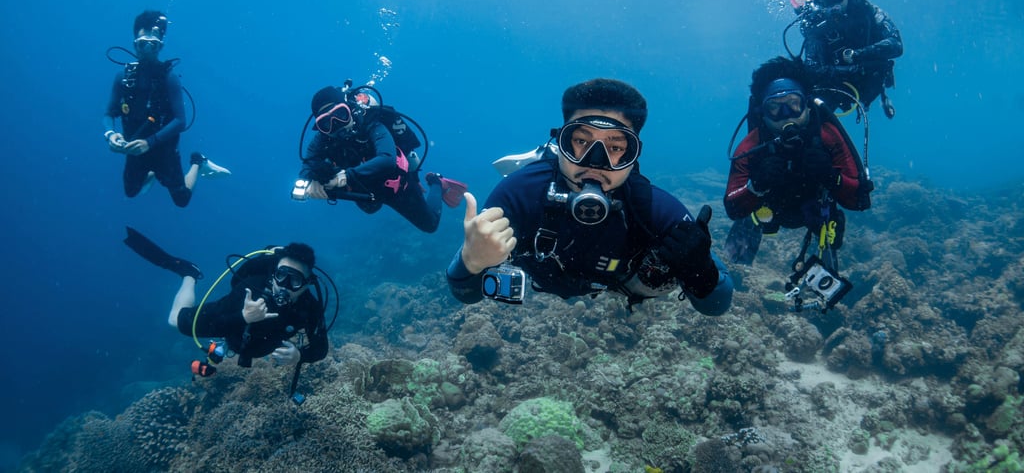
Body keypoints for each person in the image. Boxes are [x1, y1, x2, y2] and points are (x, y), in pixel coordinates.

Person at [445, 78, 733, 315]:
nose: (595, 162)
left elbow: (717, 305)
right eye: (581, 141)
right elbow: (465, 294)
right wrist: (472, 259)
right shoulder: (519, 193)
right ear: (561, 143)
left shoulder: (654, 209)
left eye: (616, 147)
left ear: (633, 157)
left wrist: (701, 270)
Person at [723, 57, 873, 273]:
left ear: (808, 106)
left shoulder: (827, 136)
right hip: (768, 213)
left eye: (794, 104)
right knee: (734, 265)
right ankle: (735, 271)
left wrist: (832, 177)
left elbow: (860, 200)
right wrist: (755, 186)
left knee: (829, 247)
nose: (786, 116)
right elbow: (733, 208)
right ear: (762, 113)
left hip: (814, 209)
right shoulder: (751, 145)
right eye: (774, 107)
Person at [123, 227, 328, 371]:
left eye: (295, 281)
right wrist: (243, 317)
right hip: (233, 330)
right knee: (174, 319)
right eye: (281, 275)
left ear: (307, 284)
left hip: (256, 345)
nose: (284, 286)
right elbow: (189, 327)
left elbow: (321, 348)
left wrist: (300, 356)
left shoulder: (310, 306)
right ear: (273, 273)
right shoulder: (251, 290)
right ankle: (189, 273)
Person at [298, 84, 467, 234]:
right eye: (326, 123)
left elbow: (387, 159)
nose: (336, 124)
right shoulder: (322, 139)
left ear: (350, 108)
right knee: (371, 209)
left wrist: (345, 176)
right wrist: (311, 181)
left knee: (430, 225)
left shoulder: (371, 123)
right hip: (366, 194)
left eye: (340, 114)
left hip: (397, 187)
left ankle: (436, 182)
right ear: (320, 128)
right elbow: (307, 166)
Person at [103, 10, 230, 207]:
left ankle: (198, 161)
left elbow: (180, 120)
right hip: (135, 147)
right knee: (130, 192)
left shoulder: (169, 78)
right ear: (134, 44)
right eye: (142, 44)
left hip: (164, 150)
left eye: (152, 45)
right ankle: (152, 173)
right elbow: (109, 113)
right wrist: (111, 134)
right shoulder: (123, 78)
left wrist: (150, 142)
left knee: (181, 200)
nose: (146, 50)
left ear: (160, 46)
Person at [798, 0, 903, 119]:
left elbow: (896, 44)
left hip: (870, 81)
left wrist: (858, 55)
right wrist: (851, 70)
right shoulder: (816, 25)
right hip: (836, 89)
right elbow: (812, 68)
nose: (832, 0)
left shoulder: (868, 11)